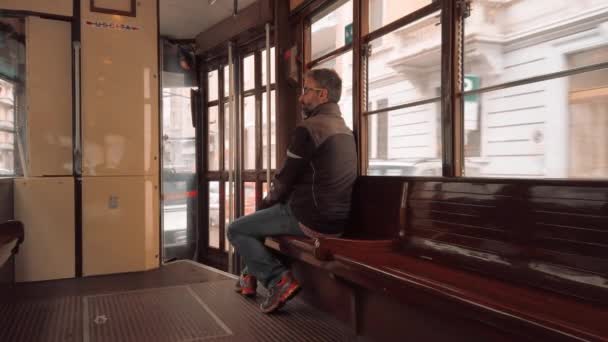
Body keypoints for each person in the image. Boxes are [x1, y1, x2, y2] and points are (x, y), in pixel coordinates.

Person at [227, 68, 357, 314]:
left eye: (306, 90)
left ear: (322, 94)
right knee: (260, 222)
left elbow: (284, 180)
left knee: (237, 228)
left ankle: (278, 280)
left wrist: (264, 205)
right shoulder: (345, 130)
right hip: (337, 220)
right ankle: (248, 277)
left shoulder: (309, 129)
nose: (301, 97)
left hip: (310, 217)